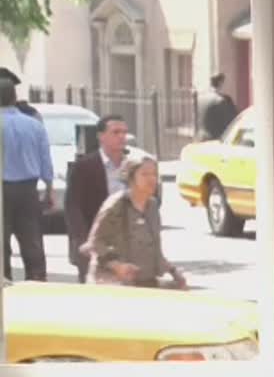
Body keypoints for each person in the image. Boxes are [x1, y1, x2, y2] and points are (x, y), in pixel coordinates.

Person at [81, 151, 186, 289]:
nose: (151, 179)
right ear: (130, 178)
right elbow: (93, 244)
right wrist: (117, 266)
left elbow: (154, 249)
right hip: (114, 284)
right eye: (145, 174)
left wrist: (173, 271)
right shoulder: (117, 204)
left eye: (154, 174)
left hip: (145, 281)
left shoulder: (152, 206)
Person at [0, 77, 53, 281]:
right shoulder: (34, 125)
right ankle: (36, 281)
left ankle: (4, 282)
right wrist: (48, 188)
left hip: (2, 190)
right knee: (32, 241)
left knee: (1, 243)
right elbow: (45, 159)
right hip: (28, 189)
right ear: (15, 98)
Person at [66, 115, 129, 283]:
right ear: (101, 136)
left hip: (126, 242)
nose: (122, 137)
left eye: (124, 132)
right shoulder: (84, 166)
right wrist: (82, 240)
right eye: (116, 132)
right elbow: (73, 207)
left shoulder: (132, 166)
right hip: (95, 241)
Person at [198, 73, 239, 141]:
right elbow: (233, 121)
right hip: (217, 139)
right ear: (220, 83)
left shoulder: (200, 98)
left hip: (201, 138)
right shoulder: (222, 100)